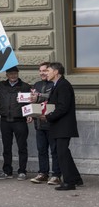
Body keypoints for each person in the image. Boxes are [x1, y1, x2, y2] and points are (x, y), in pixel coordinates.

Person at [0, 66, 31, 181]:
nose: (13, 76)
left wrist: (30, 114)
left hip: (20, 121)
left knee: (22, 147)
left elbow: (30, 102)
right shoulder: (1, 85)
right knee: (6, 148)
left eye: (15, 73)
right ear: (6, 75)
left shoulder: (25, 87)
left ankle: (22, 171)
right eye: (10, 74)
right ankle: (7, 171)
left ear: (18, 74)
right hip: (5, 121)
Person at [41, 62, 83, 191]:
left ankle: (69, 183)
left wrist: (48, 116)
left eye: (48, 71)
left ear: (56, 72)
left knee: (62, 153)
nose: (45, 73)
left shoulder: (63, 85)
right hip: (60, 126)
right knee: (65, 153)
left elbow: (63, 107)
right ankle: (76, 178)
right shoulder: (57, 85)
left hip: (63, 126)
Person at [28, 62, 60, 185]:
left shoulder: (55, 84)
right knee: (41, 150)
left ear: (50, 71)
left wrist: (39, 96)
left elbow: (50, 97)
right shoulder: (37, 84)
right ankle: (43, 173)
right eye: (40, 70)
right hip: (39, 124)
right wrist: (30, 114)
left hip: (51, 123)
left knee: (55, 150)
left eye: (45, 70)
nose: (42, 73)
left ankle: (56, 175)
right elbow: (33, 101)